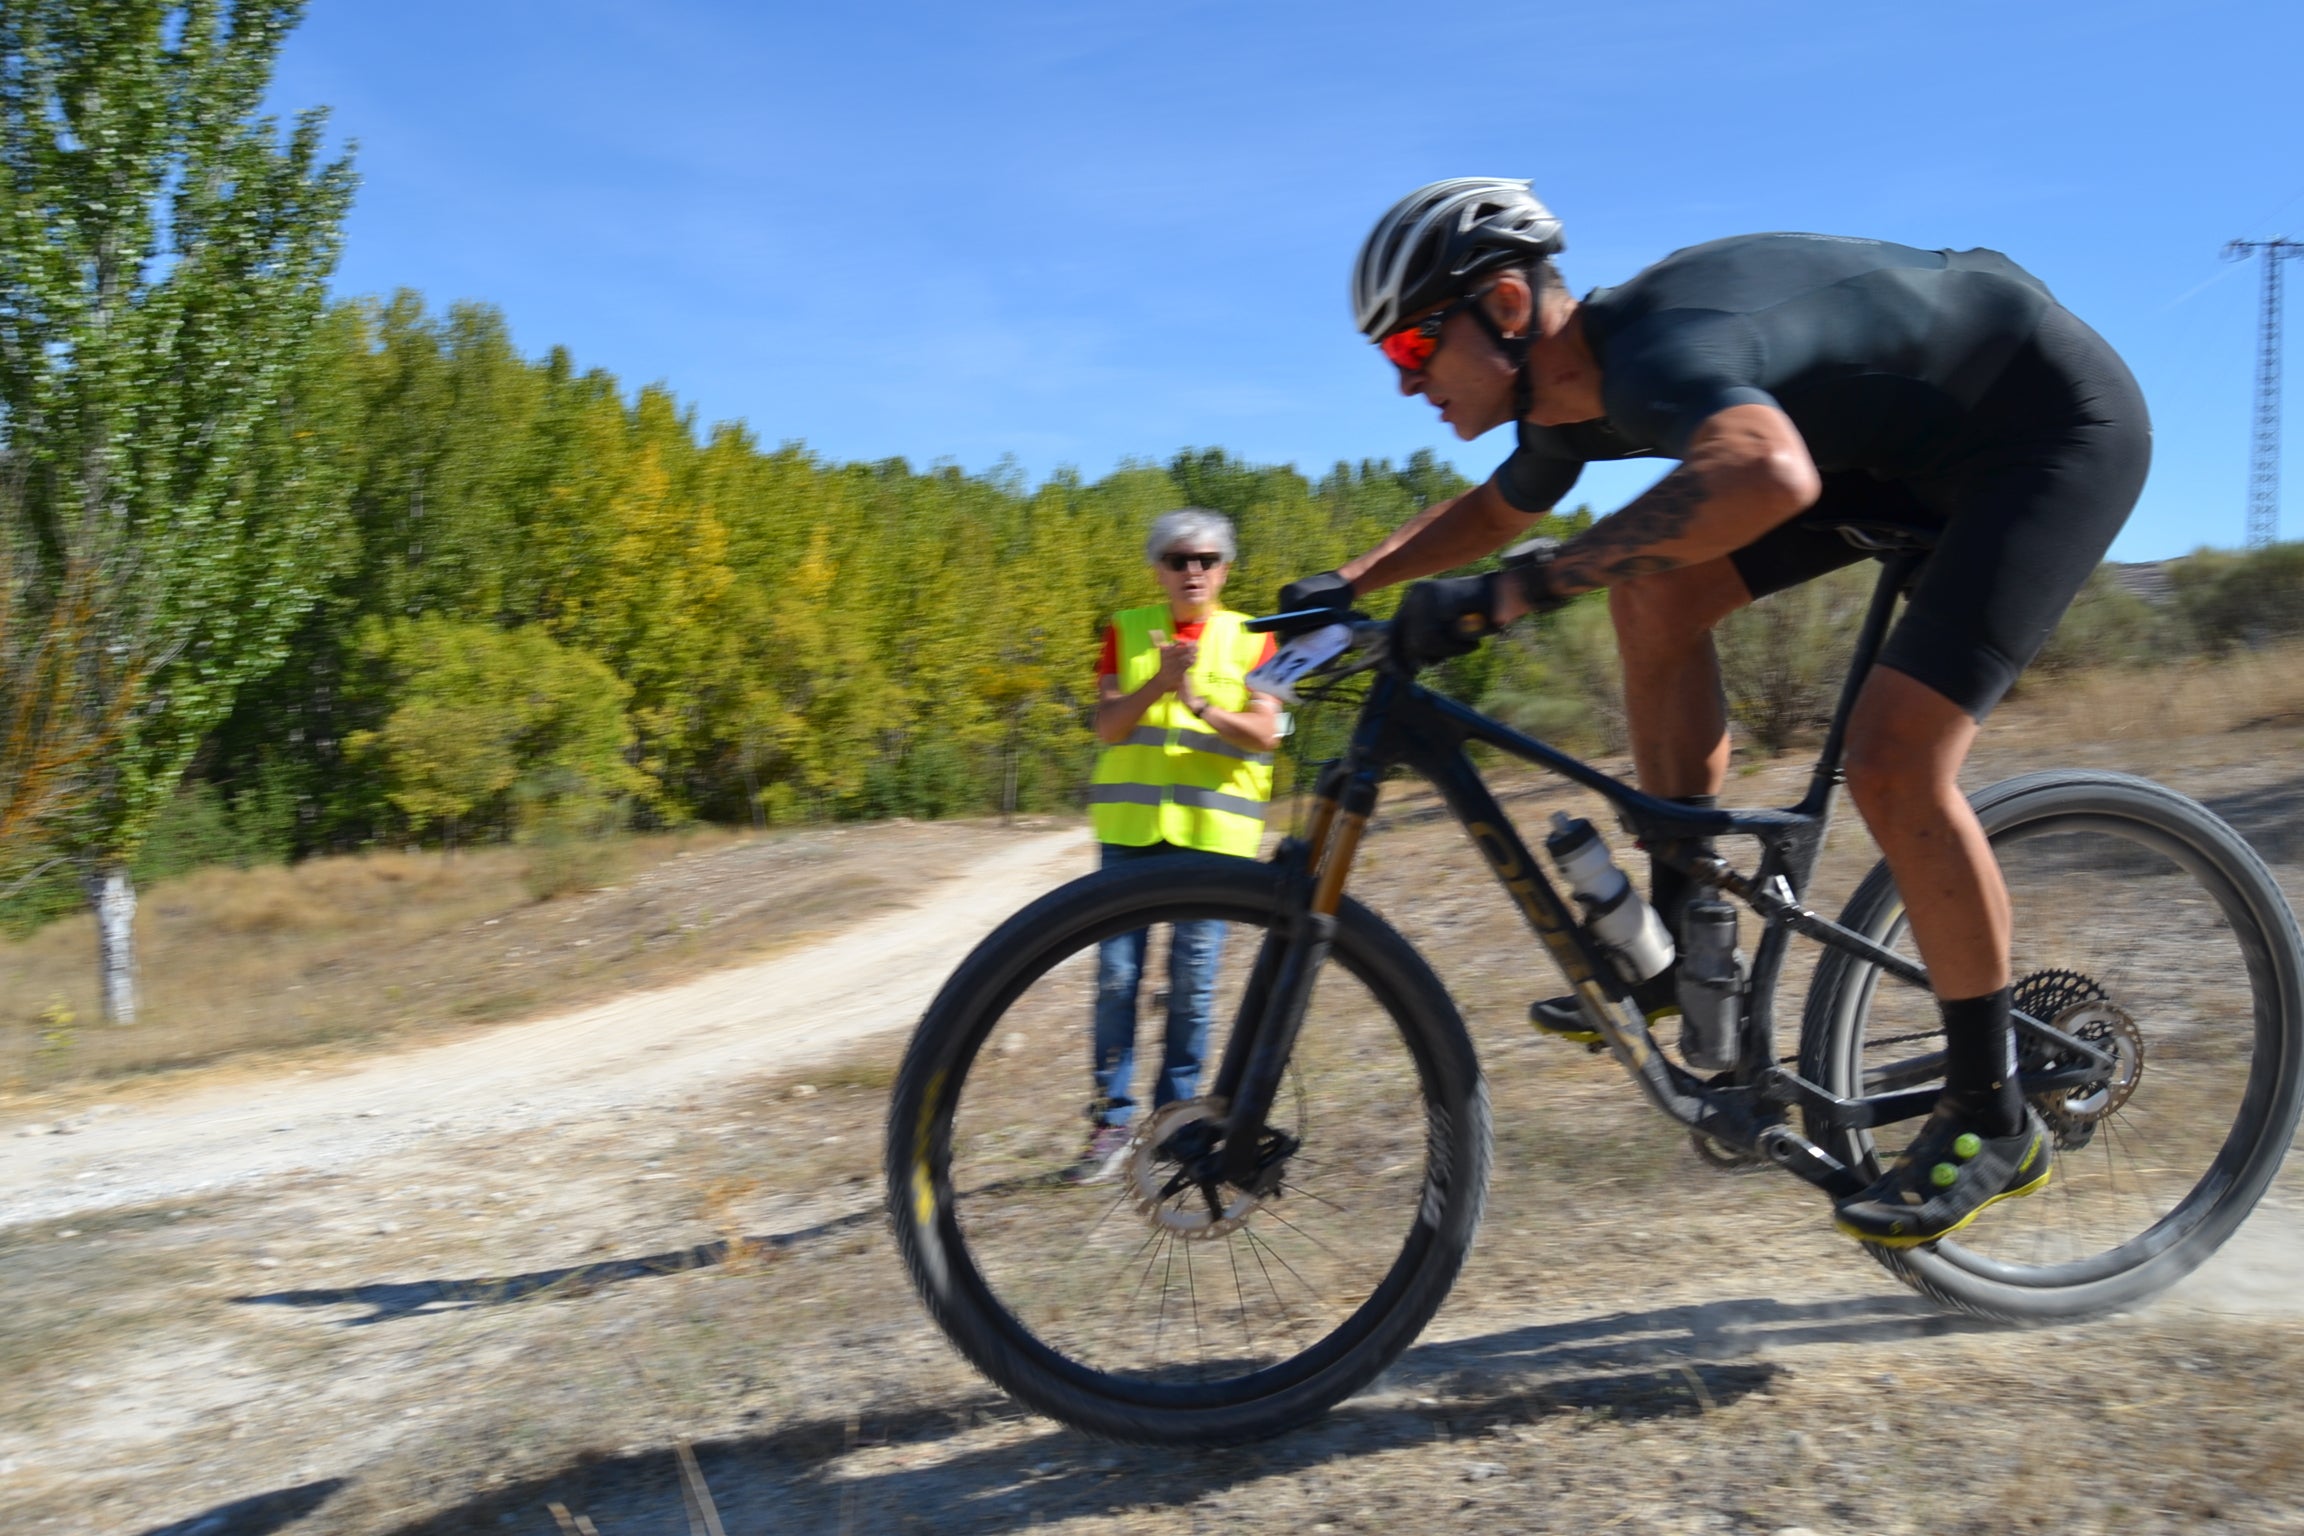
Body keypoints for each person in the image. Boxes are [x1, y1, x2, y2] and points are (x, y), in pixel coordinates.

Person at [1281, 179, 2149, 1246]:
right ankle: (1683, 949)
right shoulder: (1570, 392)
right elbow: (1502, 508)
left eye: (1411, 351)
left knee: (1894, 759)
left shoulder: (1652, 358)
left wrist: (1517, 591)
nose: (1405, 385)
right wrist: (1347, 581)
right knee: (1656, 591)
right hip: (1897, 451)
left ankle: (1993, 1114)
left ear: (1506, 307)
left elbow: (1768, 471)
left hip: (2044, 433)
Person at [1071, 508, 1283, 1183]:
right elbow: (1107, 726)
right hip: (1131, 838)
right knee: (1117, 980)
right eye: (1178, 559)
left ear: (1225, 568)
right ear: (1157, 567)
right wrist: (1157, 684)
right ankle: (1112, 1121)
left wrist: (1196, 703)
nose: (1193, 571)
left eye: (1207, 559)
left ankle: (1176, 1125)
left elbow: (1265, 733)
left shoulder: (1254, 638)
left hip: (1213, 842)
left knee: (1192, 988)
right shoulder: (1126, 631)